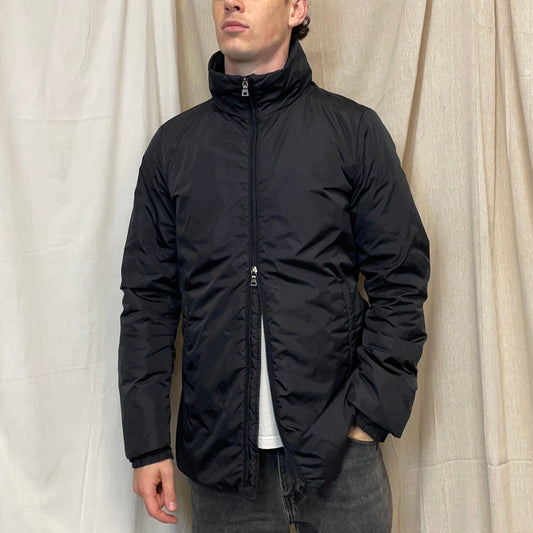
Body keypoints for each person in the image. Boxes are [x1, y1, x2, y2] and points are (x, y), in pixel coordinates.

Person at [118, 0, 430, 531]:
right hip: (221, 467)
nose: (231, 2)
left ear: (296, 9)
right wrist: (147, 444)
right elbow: (148, 303)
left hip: (340, 459)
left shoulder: (352, 132)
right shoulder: (174, 148)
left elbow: (400, 279)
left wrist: (368, 419)